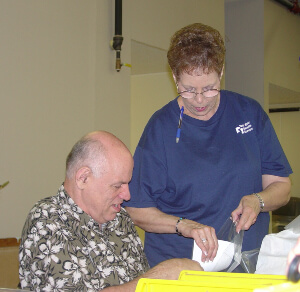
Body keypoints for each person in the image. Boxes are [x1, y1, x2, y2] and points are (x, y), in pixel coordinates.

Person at [123, 23, 293, 268]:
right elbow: (137, 209)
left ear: (221, 72)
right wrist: (183, 225)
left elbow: (281, 186)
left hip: (244, 266)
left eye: (210, 88)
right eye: (189, 90)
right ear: (174, 77)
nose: (200, 100)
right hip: (181, 268)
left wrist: (258, 200)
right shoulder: (160, 128)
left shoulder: (249, 113)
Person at [19, 131, 202, 291]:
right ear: (83, 178)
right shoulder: (47, 221)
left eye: (128, 183)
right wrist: (161, 278)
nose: (127, 195)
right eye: (117, 185)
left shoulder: (120, 219)